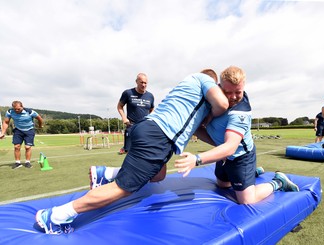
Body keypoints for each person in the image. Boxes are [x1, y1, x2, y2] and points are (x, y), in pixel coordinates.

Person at [35, 69, 229, 234]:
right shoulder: (203, 79)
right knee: (123, 188)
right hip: (157, 137)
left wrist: (221, 145)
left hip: (148, 128)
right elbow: (222, 104)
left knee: (158, 175)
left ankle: (104, 173)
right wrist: (212, 114)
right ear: (213, 82)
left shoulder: (189, 95)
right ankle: (55, 216)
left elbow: (196, 129)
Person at [174, 66, 299, 205]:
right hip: (224, 153)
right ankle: (252, 174)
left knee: (247, 200)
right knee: (223, 184)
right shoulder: (213, 98)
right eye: (228, 92)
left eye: (238, 92)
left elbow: (230, 147)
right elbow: (198, 128)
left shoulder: (241, 112)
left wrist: (197, 159)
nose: (233, 97)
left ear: (244, 86)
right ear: (219, 87)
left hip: (240, 156)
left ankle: (278, 182)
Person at [117, 73, 155, 155]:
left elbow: (152, 109)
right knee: (130, 153)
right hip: (131, 126)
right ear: (136, 82)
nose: (143, 85)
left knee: (145, 152)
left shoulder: (150, 96)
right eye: (141, 82)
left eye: (145, 83)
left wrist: (149, 119)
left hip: (145, 128)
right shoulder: (128, 93)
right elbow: (119, 106)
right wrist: (124, 118)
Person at [0, 101, 44, 169]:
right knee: (16, 147)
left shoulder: (30, 112)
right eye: (15, 109)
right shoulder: (10, 112)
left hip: (29, 130)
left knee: (27, 147)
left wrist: (40, 125)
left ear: (22, 106)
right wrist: (2, 133)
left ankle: (27, 162)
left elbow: (39, 118)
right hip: (18, 130)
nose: (17, 110)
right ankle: (18, 163)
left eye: (18, 109)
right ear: (13, 108)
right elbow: (6, 122)